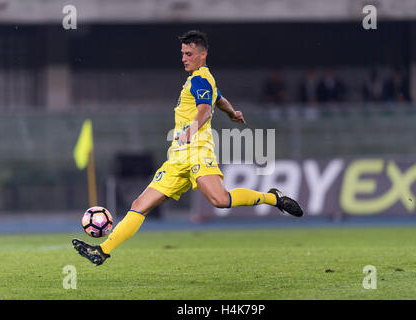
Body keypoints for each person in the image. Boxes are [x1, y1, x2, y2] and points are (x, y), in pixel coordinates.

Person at [72, 30, 303, 266]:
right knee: (139, 205)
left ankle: (272, 197)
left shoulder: (201, 80)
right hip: (177, 158)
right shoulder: (200, 79)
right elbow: (219, 100)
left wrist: (191, 131)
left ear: (203, 55)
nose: (183, 58)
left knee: (220, 200)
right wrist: (232, 113)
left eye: (189, 53)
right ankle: (103, 250)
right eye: (182, 53)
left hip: (197, 151)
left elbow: (204, 110)